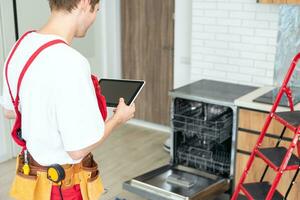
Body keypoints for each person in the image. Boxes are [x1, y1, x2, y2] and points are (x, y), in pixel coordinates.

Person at [1, 0, 135, 199]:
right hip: (61, 188)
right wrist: (117, 119)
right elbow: (77, 149)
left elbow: (10, 111)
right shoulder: (72, 62)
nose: (94, 19)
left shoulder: (20, 46)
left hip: (31, 183)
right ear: (84, 3)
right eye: (96, 11)